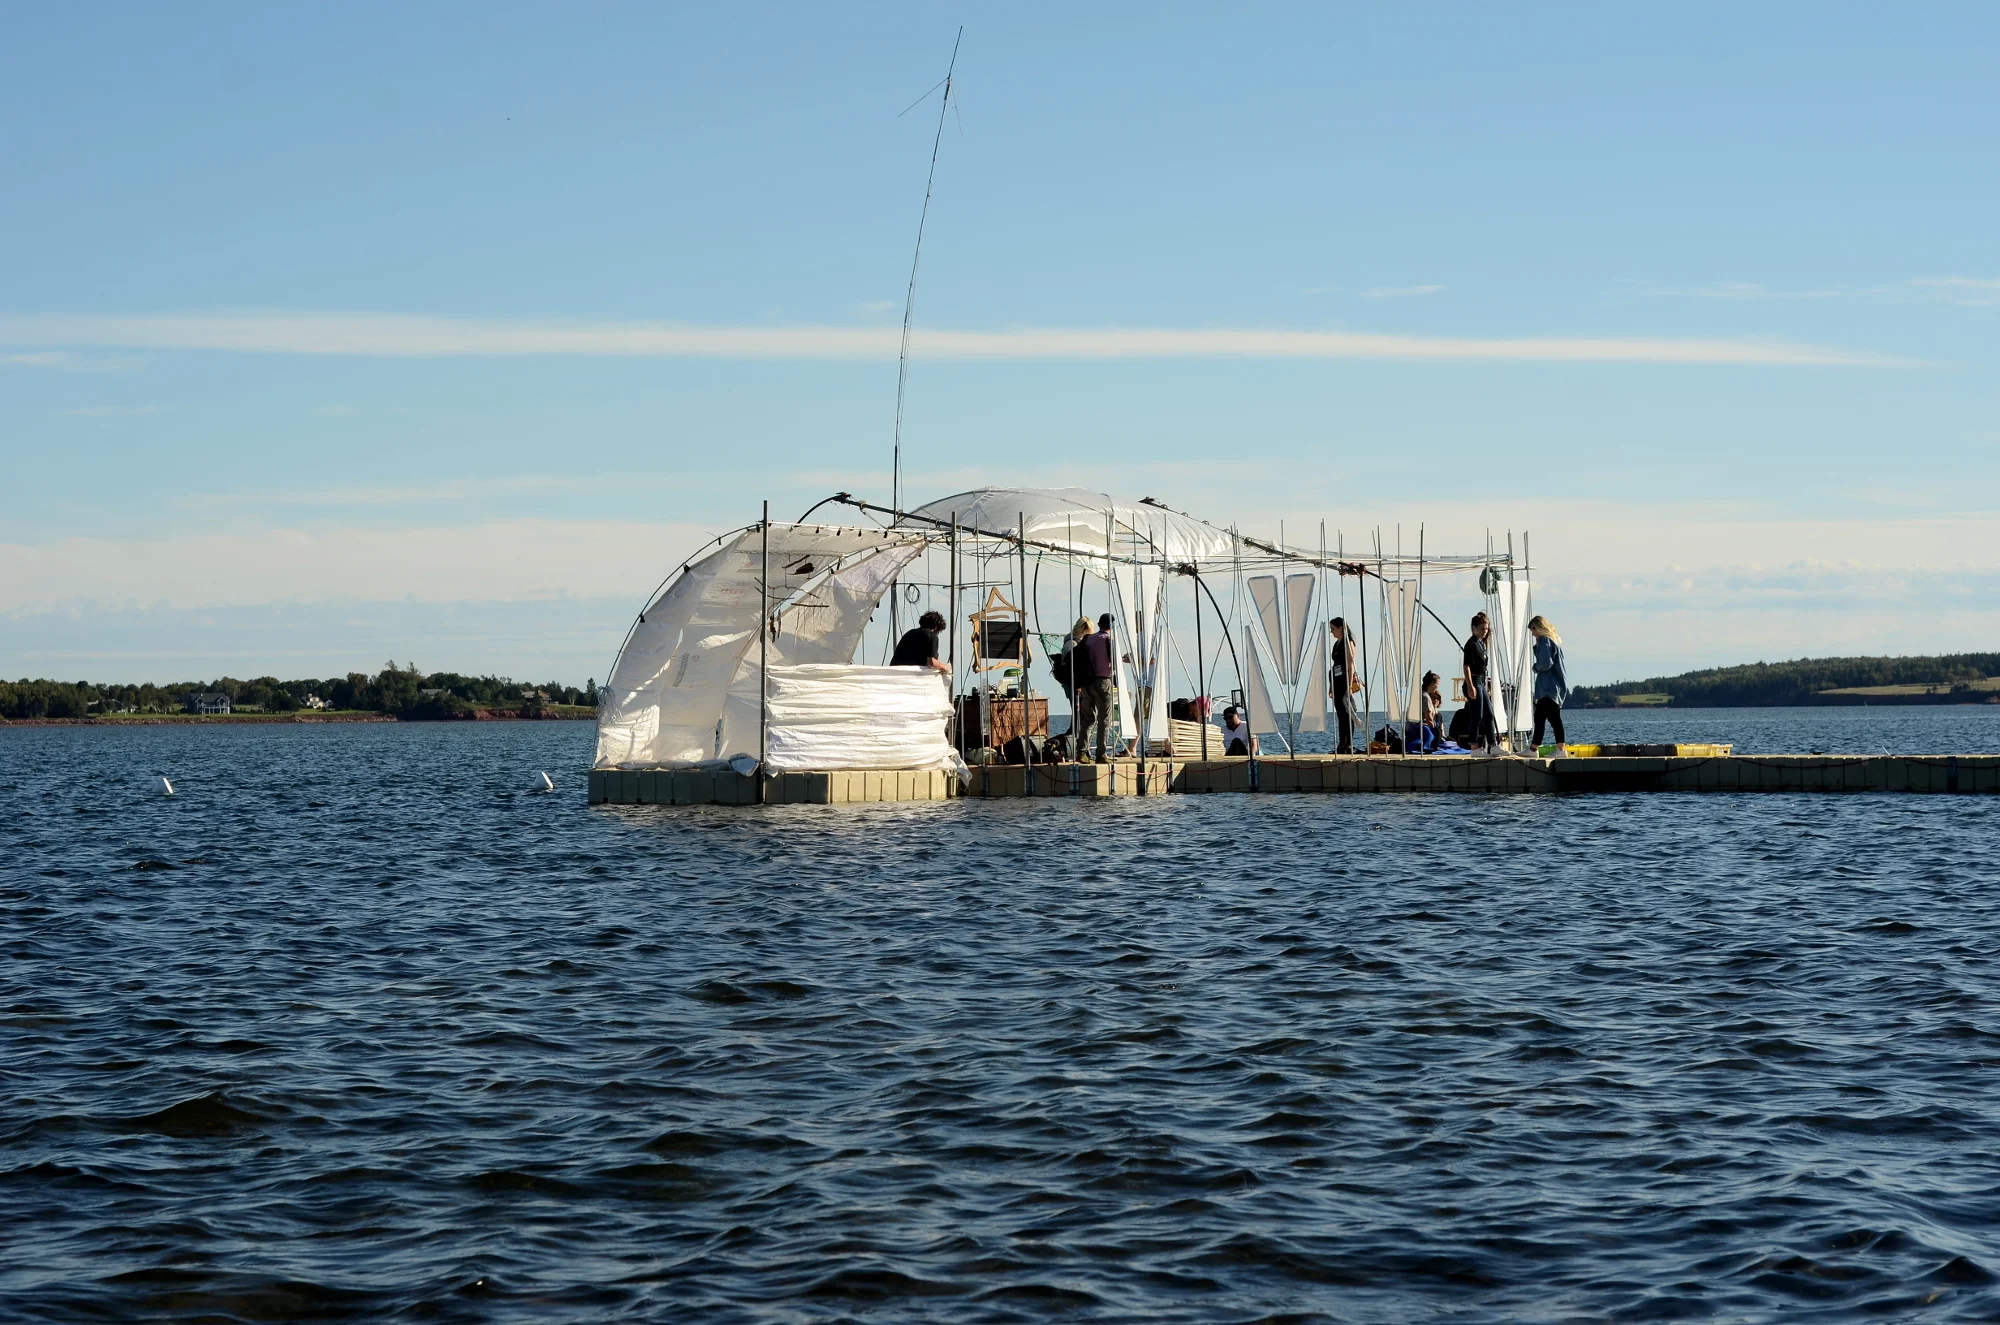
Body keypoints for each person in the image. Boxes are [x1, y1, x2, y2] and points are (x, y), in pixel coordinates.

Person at [1072, 616, 1118, 763]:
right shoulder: (1108, 640)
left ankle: (1081, 752)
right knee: (1104, 720)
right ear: (1111, 626)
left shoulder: (1088, 639)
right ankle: (1101, 754)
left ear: (1098, 624)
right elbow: (1114, 662)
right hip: (1103, 681)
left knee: (1088, 718)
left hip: (1086, 682)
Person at [1529, 615, 1568, 750]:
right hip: (1551, 687)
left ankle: (1560, 749)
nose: (1533, 634)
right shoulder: (1553, 640)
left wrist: (1536, 667)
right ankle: (1534, 748)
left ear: (1537, 628)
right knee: (1540, 717)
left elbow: (1545, 663)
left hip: (1548, 687)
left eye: (1533, 630)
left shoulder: (1545, 641)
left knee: (1552, 718)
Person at [1461, 611, 1498, 752]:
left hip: (1482, 681)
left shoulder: (1481, 643)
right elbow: (1467, 667)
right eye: (1482, 629)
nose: (1485, 631)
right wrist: (1470, 686)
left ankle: (1493, 745)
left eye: (1486, 629)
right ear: (1474, 628)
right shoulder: (1471, 644)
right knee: (1477, 715)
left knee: (1489, 714)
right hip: (1474, 681)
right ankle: (1474, 746)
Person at [1328, 617, 1359, 754]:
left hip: (1345, 681)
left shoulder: (1348, 643)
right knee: (1341, 714)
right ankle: (1342, 743)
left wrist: (1349, 685)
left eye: (1333, 629)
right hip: (1336, 680)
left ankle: (1349, 743)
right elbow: (1335, 666)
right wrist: (1331, 686)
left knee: (1349, 712)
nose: (1331, 632)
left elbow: (1350, 664)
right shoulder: (1336, 644)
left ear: (1340, 628)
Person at [890, 610, 951, 676]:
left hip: (895, 672)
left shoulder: (910, 633)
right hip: (911, 675)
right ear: (936, 627)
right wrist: (945, 667)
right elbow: (931, 662)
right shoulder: (932, 636)